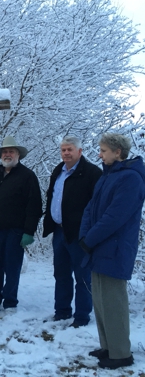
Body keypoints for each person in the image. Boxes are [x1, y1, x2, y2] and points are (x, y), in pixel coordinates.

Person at [80, 133, 145, 370]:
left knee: (113, 301)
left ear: (118, 152)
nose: (99, 154)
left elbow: (115, 217)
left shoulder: (130, 179)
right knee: (100, 300)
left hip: (115, 248)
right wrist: (84, 235)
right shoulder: (108, 176)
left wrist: (91, 237)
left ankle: (120, 353)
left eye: (104, 151)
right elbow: (90, 208)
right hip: (98, 247)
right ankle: (107, 346)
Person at [43, 136, 101, 327]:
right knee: (61, 274)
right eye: (63, 150)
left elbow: (97, 206)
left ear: (80, 151)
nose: (66, 153)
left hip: (79, 234)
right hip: (59, 232)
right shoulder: (58, 171)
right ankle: (62, 311)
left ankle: (82, 316)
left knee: (82, 276)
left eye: (70, 149)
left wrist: (90, 233)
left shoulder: (91, 173)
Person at [0, 136, 42, 309]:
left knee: (12, 268)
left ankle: (10, 302)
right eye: (5, 152)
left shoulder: (27, 176)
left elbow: (34, 205)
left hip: (14, 232)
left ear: (18, 155)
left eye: (11, 151)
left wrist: (29, 231)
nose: (7, 154)